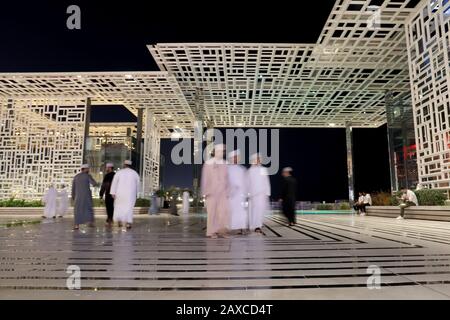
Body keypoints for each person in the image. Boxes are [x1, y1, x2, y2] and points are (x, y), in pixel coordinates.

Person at [201, 144, 230, 239]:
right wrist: (205, 192)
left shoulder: (225, 163)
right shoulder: (208, 163)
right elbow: (205, 178)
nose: (221, 153)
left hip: (222, 192)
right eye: (220, 151)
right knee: (212, 213)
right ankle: (211, 232)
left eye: (223, 151)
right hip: (211, 192)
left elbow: (227, 178)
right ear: (215, 152)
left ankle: (222, 231)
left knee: (223, 212)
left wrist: (228, 191)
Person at [110, 160, 140, 229]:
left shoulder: (119, 172)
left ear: (124, 165)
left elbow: (114, 183)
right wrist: (137, 193)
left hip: (119, 194)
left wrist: (113, 193)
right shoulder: (134, 173)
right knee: (129, 208)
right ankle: (128, 223)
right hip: (130, 194)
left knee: (119, 207)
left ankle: (119, 221)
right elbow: (138, 184)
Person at [248, 153, 271, 234]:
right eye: (256, 159)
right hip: (253, 194)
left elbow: (266, 181)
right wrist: (248, 193)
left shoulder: (263, 169)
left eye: (259, 159)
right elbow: (248, 183)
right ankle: (253, 225)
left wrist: (267, 193)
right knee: (253, 210)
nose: (258, 160)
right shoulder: (250, 170)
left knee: (260, 210)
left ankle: (258, 225)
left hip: (262, 194)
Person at [227, 150, 248, 234]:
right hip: (231, 194)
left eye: (237, 157)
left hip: (240, 195)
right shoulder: (227, 168)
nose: (235, 159)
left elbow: (246, 182)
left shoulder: (242, 169)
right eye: (234, 157)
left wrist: (245, 192)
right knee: (231, 211)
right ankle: (230, 227)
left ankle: (240, 228)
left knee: (240, 212)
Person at [72, 164, 98, 230]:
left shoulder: (76, 177)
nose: (88, 170)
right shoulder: (87, 176)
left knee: (78, 210)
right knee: (88, 209)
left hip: (78, 197)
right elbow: (94, 184)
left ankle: (76, 225)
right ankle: (90, 222)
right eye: (88, 169)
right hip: (86, 196)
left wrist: (73, 197)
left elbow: (73, 188)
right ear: (85, 169)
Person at [99, 163, 115, 227]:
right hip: (115, 193)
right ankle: (111, 219)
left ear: (110, 168)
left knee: (109, 207)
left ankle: (109, 219)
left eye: (107, 168)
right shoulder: (115, 175)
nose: (106, 169)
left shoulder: (107, 175)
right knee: (112, 207)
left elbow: (104, 185)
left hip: (109, 193)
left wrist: (101, 194)